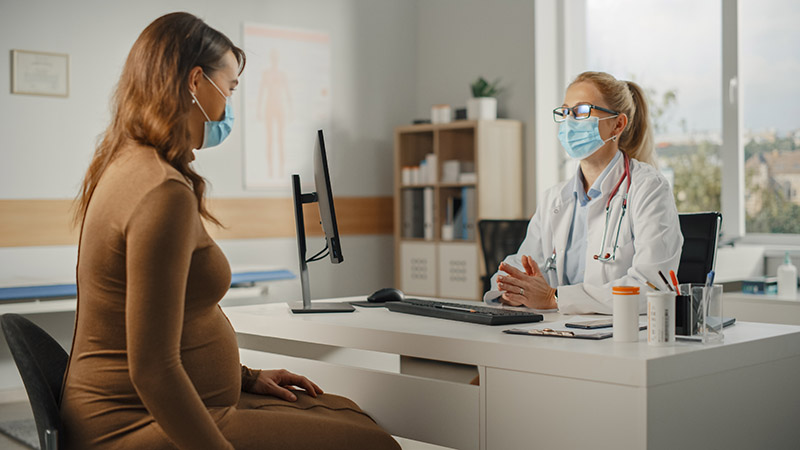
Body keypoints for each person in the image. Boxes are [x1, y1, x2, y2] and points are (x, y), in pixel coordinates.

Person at [61, 12, 399, 450]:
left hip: (153, 409)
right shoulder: (160, 192)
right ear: (195, 82)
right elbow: (152, 370)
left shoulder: (131, 164)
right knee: (375, 446)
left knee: (353, 416)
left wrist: (246, 377)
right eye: (231, 88)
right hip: (130, 426)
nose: (229, 107)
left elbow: (165, 324)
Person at [484, 71, 683, 315]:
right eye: (565, 112)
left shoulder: (648, 189)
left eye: (581, 112)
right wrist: (513, 291)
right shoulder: (554, 199)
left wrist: (554, 297)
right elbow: (519, 265)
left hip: (622, 337)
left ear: (618, 124)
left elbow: (653, 285)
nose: (569, 121)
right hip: (560, 334)